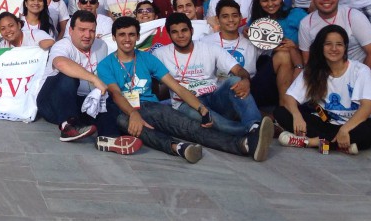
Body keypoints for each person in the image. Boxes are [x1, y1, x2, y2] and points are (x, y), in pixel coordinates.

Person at [95, 17, 272, 163]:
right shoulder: (105, 65)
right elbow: (116, 94)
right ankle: (179, 148)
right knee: (127, 123)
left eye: (132, 35)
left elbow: (176, 87)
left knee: (191, 128)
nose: (127, 39)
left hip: (152, 107)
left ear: (137, 37)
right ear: (114, 37)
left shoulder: (148, 59)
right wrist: (133, 114)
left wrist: (201, 108)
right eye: (122, 35)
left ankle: (244, 143)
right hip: (124, 110)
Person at [276, 25, 371, 153]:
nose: (334, 49)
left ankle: (309, 142)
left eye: (339, 44)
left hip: (352, 124)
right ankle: (341, 145)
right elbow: (290, 98)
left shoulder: (361, 70)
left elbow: (367, 107)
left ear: (345, 47)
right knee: (281, 113)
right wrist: (297, 116)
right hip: (324, 121)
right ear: (321, 47)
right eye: (328, 44)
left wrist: (345, 129)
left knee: (367, 133)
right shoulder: (313, 70)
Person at [153, 13, 260, 136]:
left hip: (214, 97)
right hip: (185, 103)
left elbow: (238, 70)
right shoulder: (159, 54)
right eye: (175, 32)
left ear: (192, 31)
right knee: (209, 117)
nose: (181, 35)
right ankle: (252, 131)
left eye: (184, 30)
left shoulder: (210, 48)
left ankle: (254, 123)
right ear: (168, 34)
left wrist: (245, 80)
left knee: (236, 81)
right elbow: (153, 82)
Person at [35, 10, 110, 141]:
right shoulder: (63, 45)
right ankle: (68, 127)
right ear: (70, 31)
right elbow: (60, 63)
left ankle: (111, 138)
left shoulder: (101, 45)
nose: (87, 35)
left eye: (91, 30)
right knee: (68, 76)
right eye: (82, 30)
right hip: (51, 102)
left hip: (84, 101)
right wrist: (93, 78)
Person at [297, 0, 371, 76]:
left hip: (356, 76)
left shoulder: (353, 16)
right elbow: (308, 60)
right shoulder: (306, 23)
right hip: (324, 79)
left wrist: (358, 81)